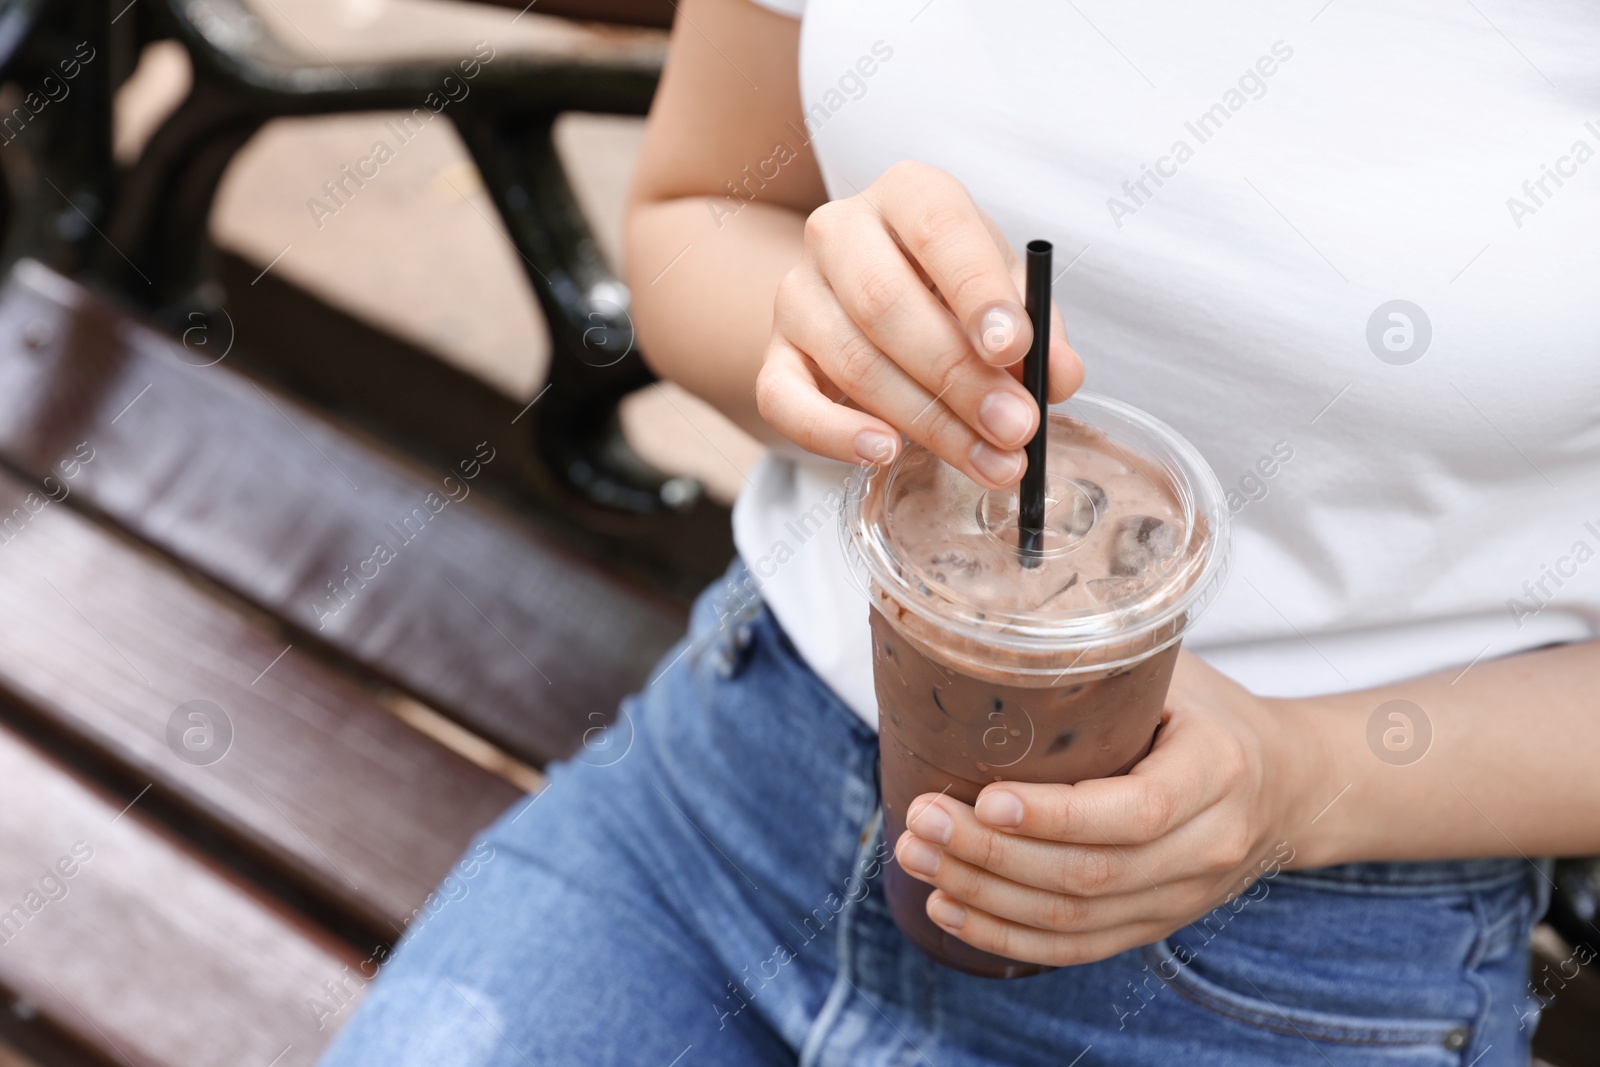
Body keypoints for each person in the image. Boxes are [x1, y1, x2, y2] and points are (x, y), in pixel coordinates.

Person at [318, 1, 1600, 1063]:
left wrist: (1300, 777)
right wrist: (835, 334)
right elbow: (697, 211)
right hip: (729, 800)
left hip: (1295, 962)